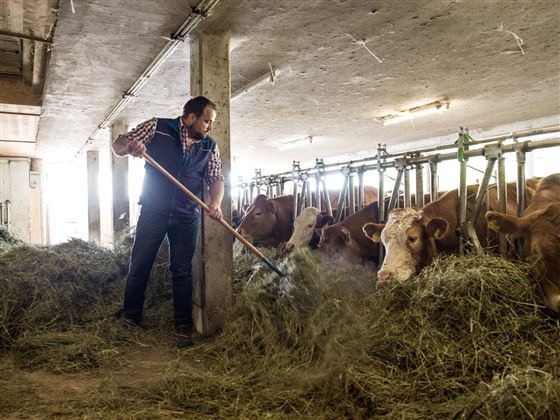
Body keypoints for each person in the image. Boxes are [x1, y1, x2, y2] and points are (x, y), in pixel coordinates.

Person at [112, 96, 224, 348]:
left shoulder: (208, 146)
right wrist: (131, 146)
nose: (210, 127)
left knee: (182, 271)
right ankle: (131, 319)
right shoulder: (157, 127)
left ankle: (183, 327)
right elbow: (118, 145)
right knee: (140, 264)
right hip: (154, 211)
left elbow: (216, 178)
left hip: (187, 216)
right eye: (207, 121)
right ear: (192, 117)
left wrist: (215, 203)